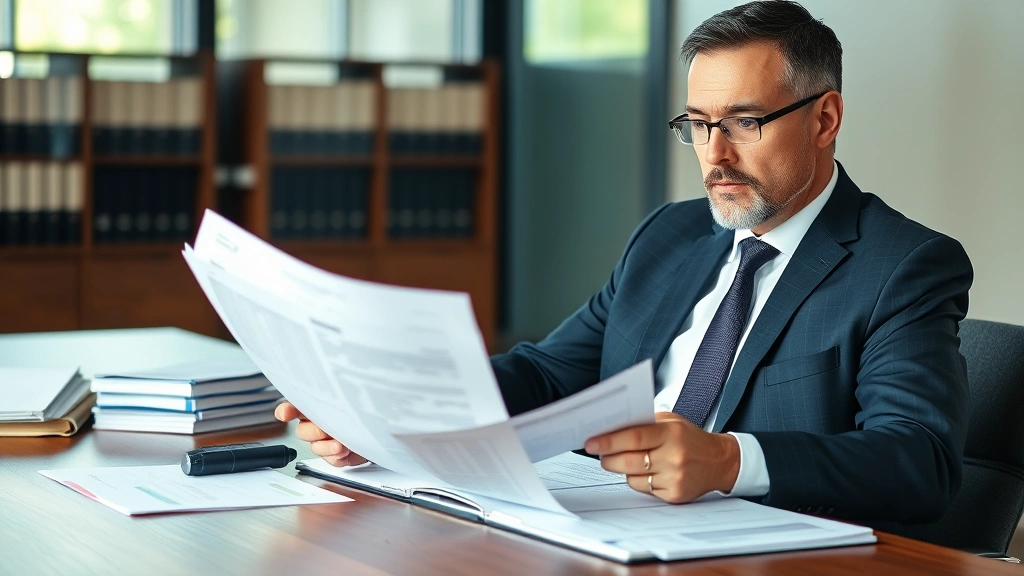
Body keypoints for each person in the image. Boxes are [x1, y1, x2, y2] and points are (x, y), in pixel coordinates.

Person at [277, 0, 972, 532]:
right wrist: (382, 407)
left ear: (825, 119)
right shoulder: (669, 235)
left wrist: (729, 460)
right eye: (697, 123)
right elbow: (548, 374)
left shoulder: (903, 266)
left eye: (744, 122)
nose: (714, 155)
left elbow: (920, 462)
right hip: (599, 531)